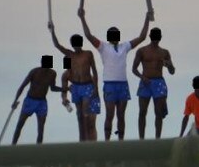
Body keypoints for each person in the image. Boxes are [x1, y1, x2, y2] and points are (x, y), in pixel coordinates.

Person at [78, 8, 151, 140]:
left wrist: (147, 18)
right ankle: (107, 141)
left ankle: (121, 141)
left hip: (123, 84)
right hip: (110, 85)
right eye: (112, 34)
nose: (114, 36)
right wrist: (82, 18)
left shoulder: (125, 46)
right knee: (110, 115)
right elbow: (89, 36)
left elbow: (142, 37)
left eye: (116, 34)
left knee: (121, 115)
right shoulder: (103, 47)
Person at [49, 22, 100, 141]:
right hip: (77, 88)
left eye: (78, 44)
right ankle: (82, 142)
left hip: (88, 86)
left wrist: (96, 89)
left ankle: (92, 144)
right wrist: (52, 31)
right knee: (80, 117)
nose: (76, 47)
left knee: (88, 119)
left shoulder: (88, 54)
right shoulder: (68, 65)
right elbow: (57, 45)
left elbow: (95, 72)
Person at [132, 27, 175, 139]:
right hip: (145, 82)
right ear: (150, 37)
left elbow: (172, 71)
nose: (156, 39)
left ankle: (157, 138)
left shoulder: (164, 52)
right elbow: (134, 69)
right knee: (142, 111)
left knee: (159, 113)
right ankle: (141, 138)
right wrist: (142, 77)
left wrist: (168, 64)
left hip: (159, 83)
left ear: (160, 38)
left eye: (157, 37)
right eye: (154, 37)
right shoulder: (142, 51)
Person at [11, 55, 65, 145]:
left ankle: (38, 148)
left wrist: (64, 89)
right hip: (30, 101)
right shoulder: (34, 72)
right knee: (20, 124)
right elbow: (22, 86)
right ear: (41, 63)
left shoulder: (52, 73)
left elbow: (52, 88)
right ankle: (13, 145)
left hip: (41, 103)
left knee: (41, 129)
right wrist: (15, 100)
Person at [60, 57, 100, 142]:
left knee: (91, 123)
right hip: (80, 96)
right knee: (81, 120)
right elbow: (63, 91)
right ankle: (82, 144)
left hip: (92, 94)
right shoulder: (66, 75)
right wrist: (64, 99)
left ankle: (93, 145)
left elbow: (94, 84)